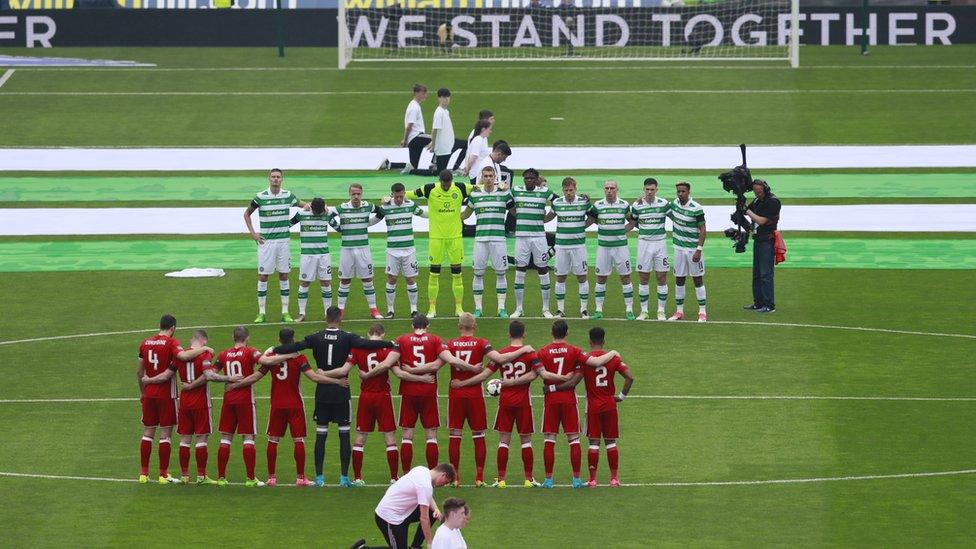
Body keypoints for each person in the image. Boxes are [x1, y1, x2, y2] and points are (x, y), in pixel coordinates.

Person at [273, 306, 397, 487]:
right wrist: (388, 344)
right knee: (344, 434)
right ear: (340, 317)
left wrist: (277, 349)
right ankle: (344, 478)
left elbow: (297, 346)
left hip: (322, 390)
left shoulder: (315, 336)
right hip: (341, 389)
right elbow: (366, 344)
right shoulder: (348, 336)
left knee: (321, 434)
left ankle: (320, 477)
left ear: (325, 317)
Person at [225, 328, 347, 487]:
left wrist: (236, 385)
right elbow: (315, 378)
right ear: (293, 339)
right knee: (298, 440)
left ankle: (271, 477)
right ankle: (300, 477)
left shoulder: (271, 358)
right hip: (295, 404)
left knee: (273, 440)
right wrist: (337, 382)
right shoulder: (299, 358)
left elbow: (255, 377)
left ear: (279, 339)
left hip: (277, 404)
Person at [139, 329, 238, 485]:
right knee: (201, 439)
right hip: (201, 403)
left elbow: (166, 375)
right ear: (204, 341)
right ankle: (200, 476)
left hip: (184, 403)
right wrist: (230, 378)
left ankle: (184, 476)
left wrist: (147, 380)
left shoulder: (179, 357)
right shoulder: (205, 354)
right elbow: (209, 375)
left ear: (192, 339)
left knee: (184, 440)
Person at [446, 313, 532, 486]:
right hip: (475, 395)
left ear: (459, 326)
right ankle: (479, 478)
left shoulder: (450, 344)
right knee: (478, 435)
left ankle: (455, 478)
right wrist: (523, 349)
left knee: (455, 435)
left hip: (456, 394)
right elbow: (500, 359)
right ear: (475, 326)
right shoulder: (482, 343)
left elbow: (441, 361)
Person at [346, 324, 435, 486]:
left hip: (365, 397)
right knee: (390, 438)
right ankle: (394, 477)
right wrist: (422, 379)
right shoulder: (388, 349)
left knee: (360, 438)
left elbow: (345, 369)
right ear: (383, 334)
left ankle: (357, 478)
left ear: (368, 333)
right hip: (383, 397)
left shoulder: (357, 349)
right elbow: (400, 374)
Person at [386, 314, 477, 472]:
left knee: (407, 434)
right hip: (429, 391)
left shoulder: (401, 340)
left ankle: (407, 474)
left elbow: (389, 363)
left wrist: (412, 373)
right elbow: (451, 361)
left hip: (408, 391)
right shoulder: (435, 339)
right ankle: (432, 473)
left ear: (412, 325)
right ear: (427, 325)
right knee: (431, 435)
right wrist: (473, 368)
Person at [535, 320, 619, 489]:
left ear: (552, 333)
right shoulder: (574, 351)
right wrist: (614, 353)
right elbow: (596, 362)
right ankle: (576, 479)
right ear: (567, 333)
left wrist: (551, 386)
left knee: (549, 439)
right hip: (569, 400)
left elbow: (536, 373)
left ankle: (549, 480)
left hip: (551, 400)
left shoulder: (542, 352)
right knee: (573, 439)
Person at [550, 326, 634, 487]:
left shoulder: (585, 360)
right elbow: (630, 377)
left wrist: (553, 388)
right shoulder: (614, 359)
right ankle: (614, 478)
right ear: (604, 341)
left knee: (593, 444)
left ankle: (593, 479)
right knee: (611, 442)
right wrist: (621, 396)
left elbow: (574, 382)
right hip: (610, 405)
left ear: (590, 341)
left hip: (593, 407)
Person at [136, 315, 214, 484]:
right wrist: (203, 349)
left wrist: (143, 391)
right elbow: (184, 357)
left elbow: (139, 372)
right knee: (165, 434)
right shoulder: (171, 343)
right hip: (166, 395)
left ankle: (143, 473)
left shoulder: (145, 343)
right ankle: (163, 475)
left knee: (148, 433)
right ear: (172, 328)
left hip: (148, 393)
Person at [409, 170, 474, 318]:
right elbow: (410, 194)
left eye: (448, 184)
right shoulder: (430, 188)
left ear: (452, 180)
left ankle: (459, 308)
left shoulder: (461, 187)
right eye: (444, 184)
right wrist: (392, 196)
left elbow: (479, 188)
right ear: (440, 181)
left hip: (455, 238)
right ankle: (432, 309)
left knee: (457, 274)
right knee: (433, 274)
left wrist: (498, 186)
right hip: (436, 239)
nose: (446, 187)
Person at [244, 168, 305, 324]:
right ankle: (261, 313)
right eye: (273, 177)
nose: (276, 179)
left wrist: (320, 206)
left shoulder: (287, 195)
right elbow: (246, 214)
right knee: (263, 276)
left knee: (284, 275)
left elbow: (303, 205)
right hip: (266, 243)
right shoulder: (260, 197)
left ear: (282, 179)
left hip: (283, 242)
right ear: (269, 179)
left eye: (278, 177)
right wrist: (253, 234)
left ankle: (285, 312)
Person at [349, 463, 456, 549]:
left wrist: (436, 509)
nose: (443, 485)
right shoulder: (425, 485)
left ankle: (415, 546)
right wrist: (429, 543)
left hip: (400, 513)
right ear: (444, 475)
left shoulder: (422, 470)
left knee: (431, 513)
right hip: (388, 518)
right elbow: (424, 519)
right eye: (445, 482)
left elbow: (426, 495)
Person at [212, 326, 265, 487]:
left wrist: (227, 379)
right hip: (245, 399)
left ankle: (221, 478)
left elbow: (211, 374)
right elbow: (263, 362)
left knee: (226, 438)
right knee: (248, 437)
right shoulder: (250, 352)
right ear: (247, 338)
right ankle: (250, 479)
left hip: (228, 399)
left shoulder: (223, 354)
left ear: (233, 337)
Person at [462, 165, 514, 318]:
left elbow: (515, 211)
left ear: (495, 177)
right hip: (481, 240)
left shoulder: (504, 194)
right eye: (486, 176)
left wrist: (508, 190)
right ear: (482, 178)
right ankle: (478, 309)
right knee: (478, 273)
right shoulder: (475, 195)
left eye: (491, 176)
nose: (489, 178)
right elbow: (465, 215)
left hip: (498, 240)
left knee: (501, 273)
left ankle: (501, 309)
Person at [330, 183, 384, 320]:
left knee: (367, 279)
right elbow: (328, 216)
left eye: (358, 194)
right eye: (353, 194)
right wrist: (338, 228)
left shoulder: (368, 206)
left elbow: (382, 212)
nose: (356, 196)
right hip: (346, 249)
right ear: (349, 194)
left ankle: (374, 310)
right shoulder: (342, 208)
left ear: (361, 194)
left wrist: (369, 223)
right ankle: (340, 311)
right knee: (345, 280)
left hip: (363, 248)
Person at [511, 168, 558, 318]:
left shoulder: (544, 192)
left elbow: (558, 202)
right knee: (520, 271)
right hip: (522, 237)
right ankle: (518, 308)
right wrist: (517, 214)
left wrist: (548, 218)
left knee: (543, 270)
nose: (529, 180)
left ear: (537, 179)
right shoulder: (516, 190)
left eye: (532, 178)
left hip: (539, 237)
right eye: (526, 178)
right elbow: (505, 201)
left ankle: (545, 309)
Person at [375, 183, 426, 319]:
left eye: (401, 196)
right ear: (392, 194)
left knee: (410, 279)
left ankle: (414, 310)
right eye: (396, 196)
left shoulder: (410, 204)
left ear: (404, 193)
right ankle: (390, 310)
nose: (399, 199)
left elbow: (424, 214)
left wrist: (440, 211)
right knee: (392, 279)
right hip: (392, 251)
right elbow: (374, 220)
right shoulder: (385, 206)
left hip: (409, 250)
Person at [588, 180, 635, 320]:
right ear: (604, 190)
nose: (609, 190)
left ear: (617, 190)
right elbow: (593, 220)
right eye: (607, 188)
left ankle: (629, 310)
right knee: (601, 277)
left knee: (625, 277)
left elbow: (632, 222)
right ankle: (598, 310)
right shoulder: (598, 205)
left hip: (621, 247)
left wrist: (622, 231)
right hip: (603, 247)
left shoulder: (624, 205)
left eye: (612, 188)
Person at [546, 177, 592, 318]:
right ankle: (560, 310)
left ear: (575, 189)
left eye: (571, 190)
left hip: (578, 246)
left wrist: (581, 227)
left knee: (582, 277)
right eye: (566, 190)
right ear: (563, 190)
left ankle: (584, 310)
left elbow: (593, 217)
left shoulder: (583, 202)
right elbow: (548, 218)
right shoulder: (557, 203)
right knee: (560, 277)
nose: (569, 193)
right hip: (561, 246)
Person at [629, 178, 671, 321]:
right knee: (643, 277)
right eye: (647, 189)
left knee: (661, 277)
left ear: (656, 190)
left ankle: (661, 311)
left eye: (652, 189)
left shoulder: (664, 204)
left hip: (660, 244)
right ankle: (644, 311)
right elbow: (632, 222)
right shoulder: (637, 205)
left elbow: (676, 217)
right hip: (644, 244)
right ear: (644, 189)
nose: (649, 192)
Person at [667, 181, 707, 322]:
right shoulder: (674, 204)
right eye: (678, 191)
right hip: (678, 249)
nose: (680, 194)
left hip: (692, 250)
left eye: (683, 191)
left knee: (697, 280)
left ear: (688, 192)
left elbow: (703, 230)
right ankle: (679, 312)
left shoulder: (696, 208)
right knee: (679, 279)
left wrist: (699, 250)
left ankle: (702, 312)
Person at [290, 197, 334, 322]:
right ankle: (302, 313)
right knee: (304, 283)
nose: (317, 214)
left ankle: (327, 314)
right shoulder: (302, 214)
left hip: (323, 255)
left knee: (326, 283)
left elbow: (338, 228)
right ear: (312, 208)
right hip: (307, 255)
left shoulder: (326, 214)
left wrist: (330, 213)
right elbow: (289, 224)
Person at [744, 179, 781, 313]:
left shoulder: (773, 202)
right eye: (755, 192)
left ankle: (769, 305)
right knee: (757, 274)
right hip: (759, 240)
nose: (756, 194)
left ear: (765, 189)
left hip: (767, 241)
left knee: (766, 274)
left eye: (758, 192)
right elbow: (746, 211)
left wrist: (746, 210)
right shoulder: (758, 200)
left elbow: (761, 220)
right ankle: (758, 303)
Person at [383, 84, 431, 175]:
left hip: (413, 140)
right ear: (416, 93)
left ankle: (390, 165)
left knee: (413, 167)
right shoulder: (414, 107)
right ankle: (434, 163)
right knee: (438, 139)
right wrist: (405, 140)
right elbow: (409, 126)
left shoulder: (414, 105)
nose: (425, 95)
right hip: (417, 137)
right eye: (423, 93)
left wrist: (406, 140)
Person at [427, 88, 467, 175]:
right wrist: (433, 145)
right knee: (441, 172)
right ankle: (414, 171)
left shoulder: (445, 111)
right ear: (439, 98)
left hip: (448, 145)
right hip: (442, 148)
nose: (447, 99)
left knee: (442, 172)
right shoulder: (439, 113)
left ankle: (455, 168)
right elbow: (434, 130)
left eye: (448, 97)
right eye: (444, 97)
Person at [462, 117, 492, 182]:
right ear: (483, 129)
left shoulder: (480, 139)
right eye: (489, 129)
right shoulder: (478, 140)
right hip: (477, 175)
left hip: (479, 174)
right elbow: (473, 157)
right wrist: (467, 169)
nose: (490, 131)